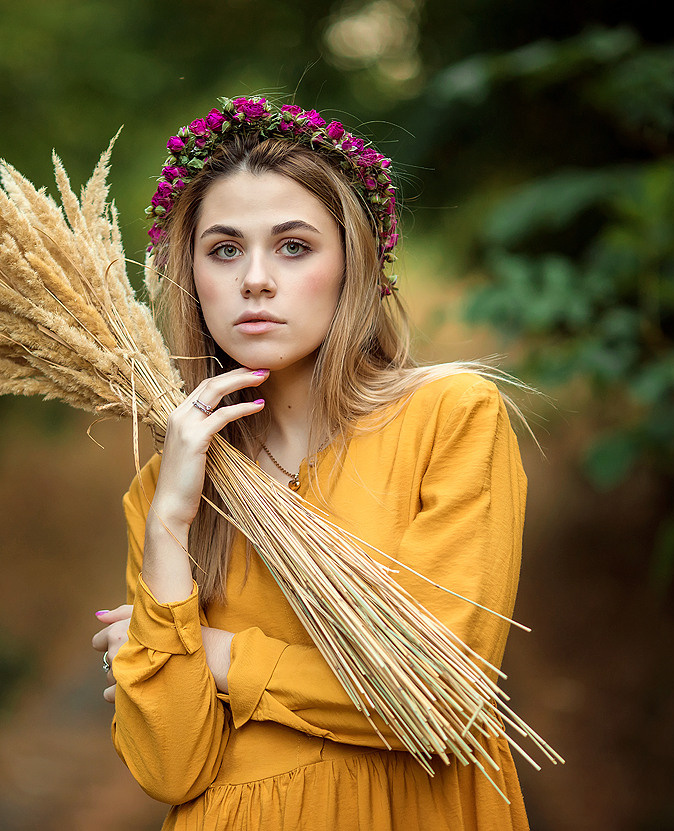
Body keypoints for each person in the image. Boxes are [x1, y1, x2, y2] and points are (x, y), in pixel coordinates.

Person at [91, 96, 531, 830]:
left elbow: (437, 697)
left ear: (351, 264)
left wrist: (213, 652)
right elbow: (170, 767)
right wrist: (170, 520)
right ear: (191, 276)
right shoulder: (168, 483)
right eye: (224, 250)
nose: (254, 280)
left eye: (293, 246)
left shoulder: (448, 417)